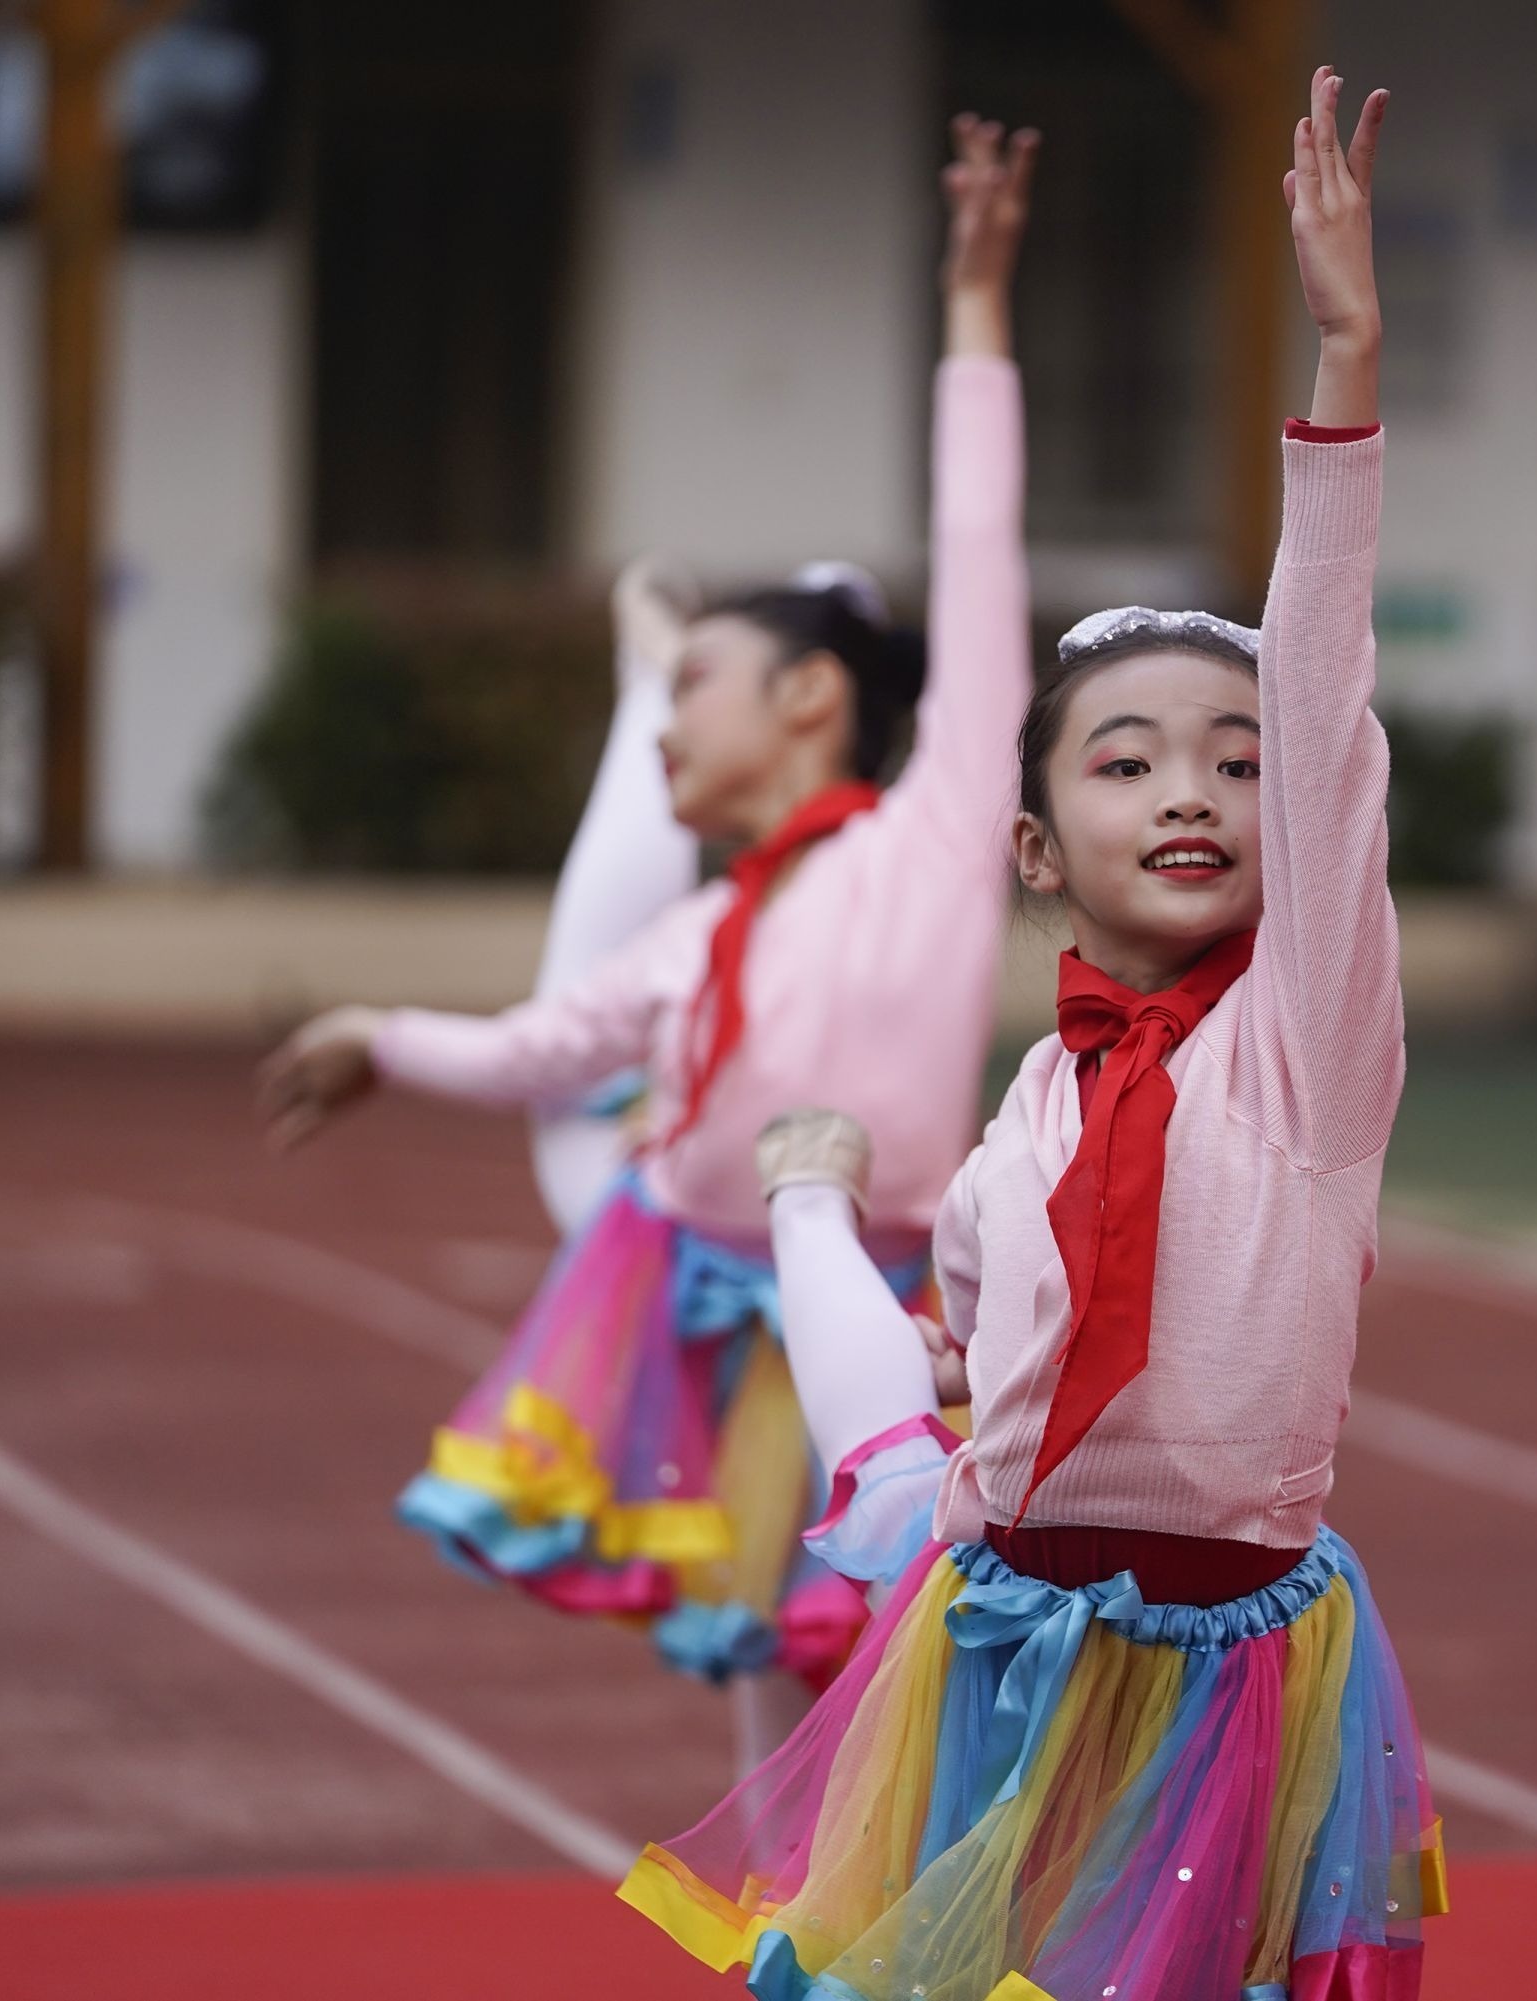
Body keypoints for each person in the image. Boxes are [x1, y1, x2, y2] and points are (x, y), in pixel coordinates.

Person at [616, 70, 1445, 2001]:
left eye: (1235, 766)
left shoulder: (1310, 1045)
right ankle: (816, 1217)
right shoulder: (1043, 1087)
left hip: (1224, 1666)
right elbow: (990, 1340)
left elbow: (1327, 707)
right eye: (1131, 758)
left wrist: (1343, 369)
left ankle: (812, 1213)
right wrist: (921, 1332)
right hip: (998, 1618)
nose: (1197, 791)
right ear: (1030, 847)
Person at [255, 115, 1040, 1686]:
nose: (675, 724)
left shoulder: (937, 831)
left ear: (816, 694)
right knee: (760, 1644)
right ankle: (768, 1922)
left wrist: (974, 313)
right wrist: (380, 1033)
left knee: (905, 1661)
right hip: (704, 1290)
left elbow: (979, 549)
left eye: (694, 686)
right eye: (661, 693)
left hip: (893, 1313)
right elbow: (541, 1044)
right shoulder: (697, 929)